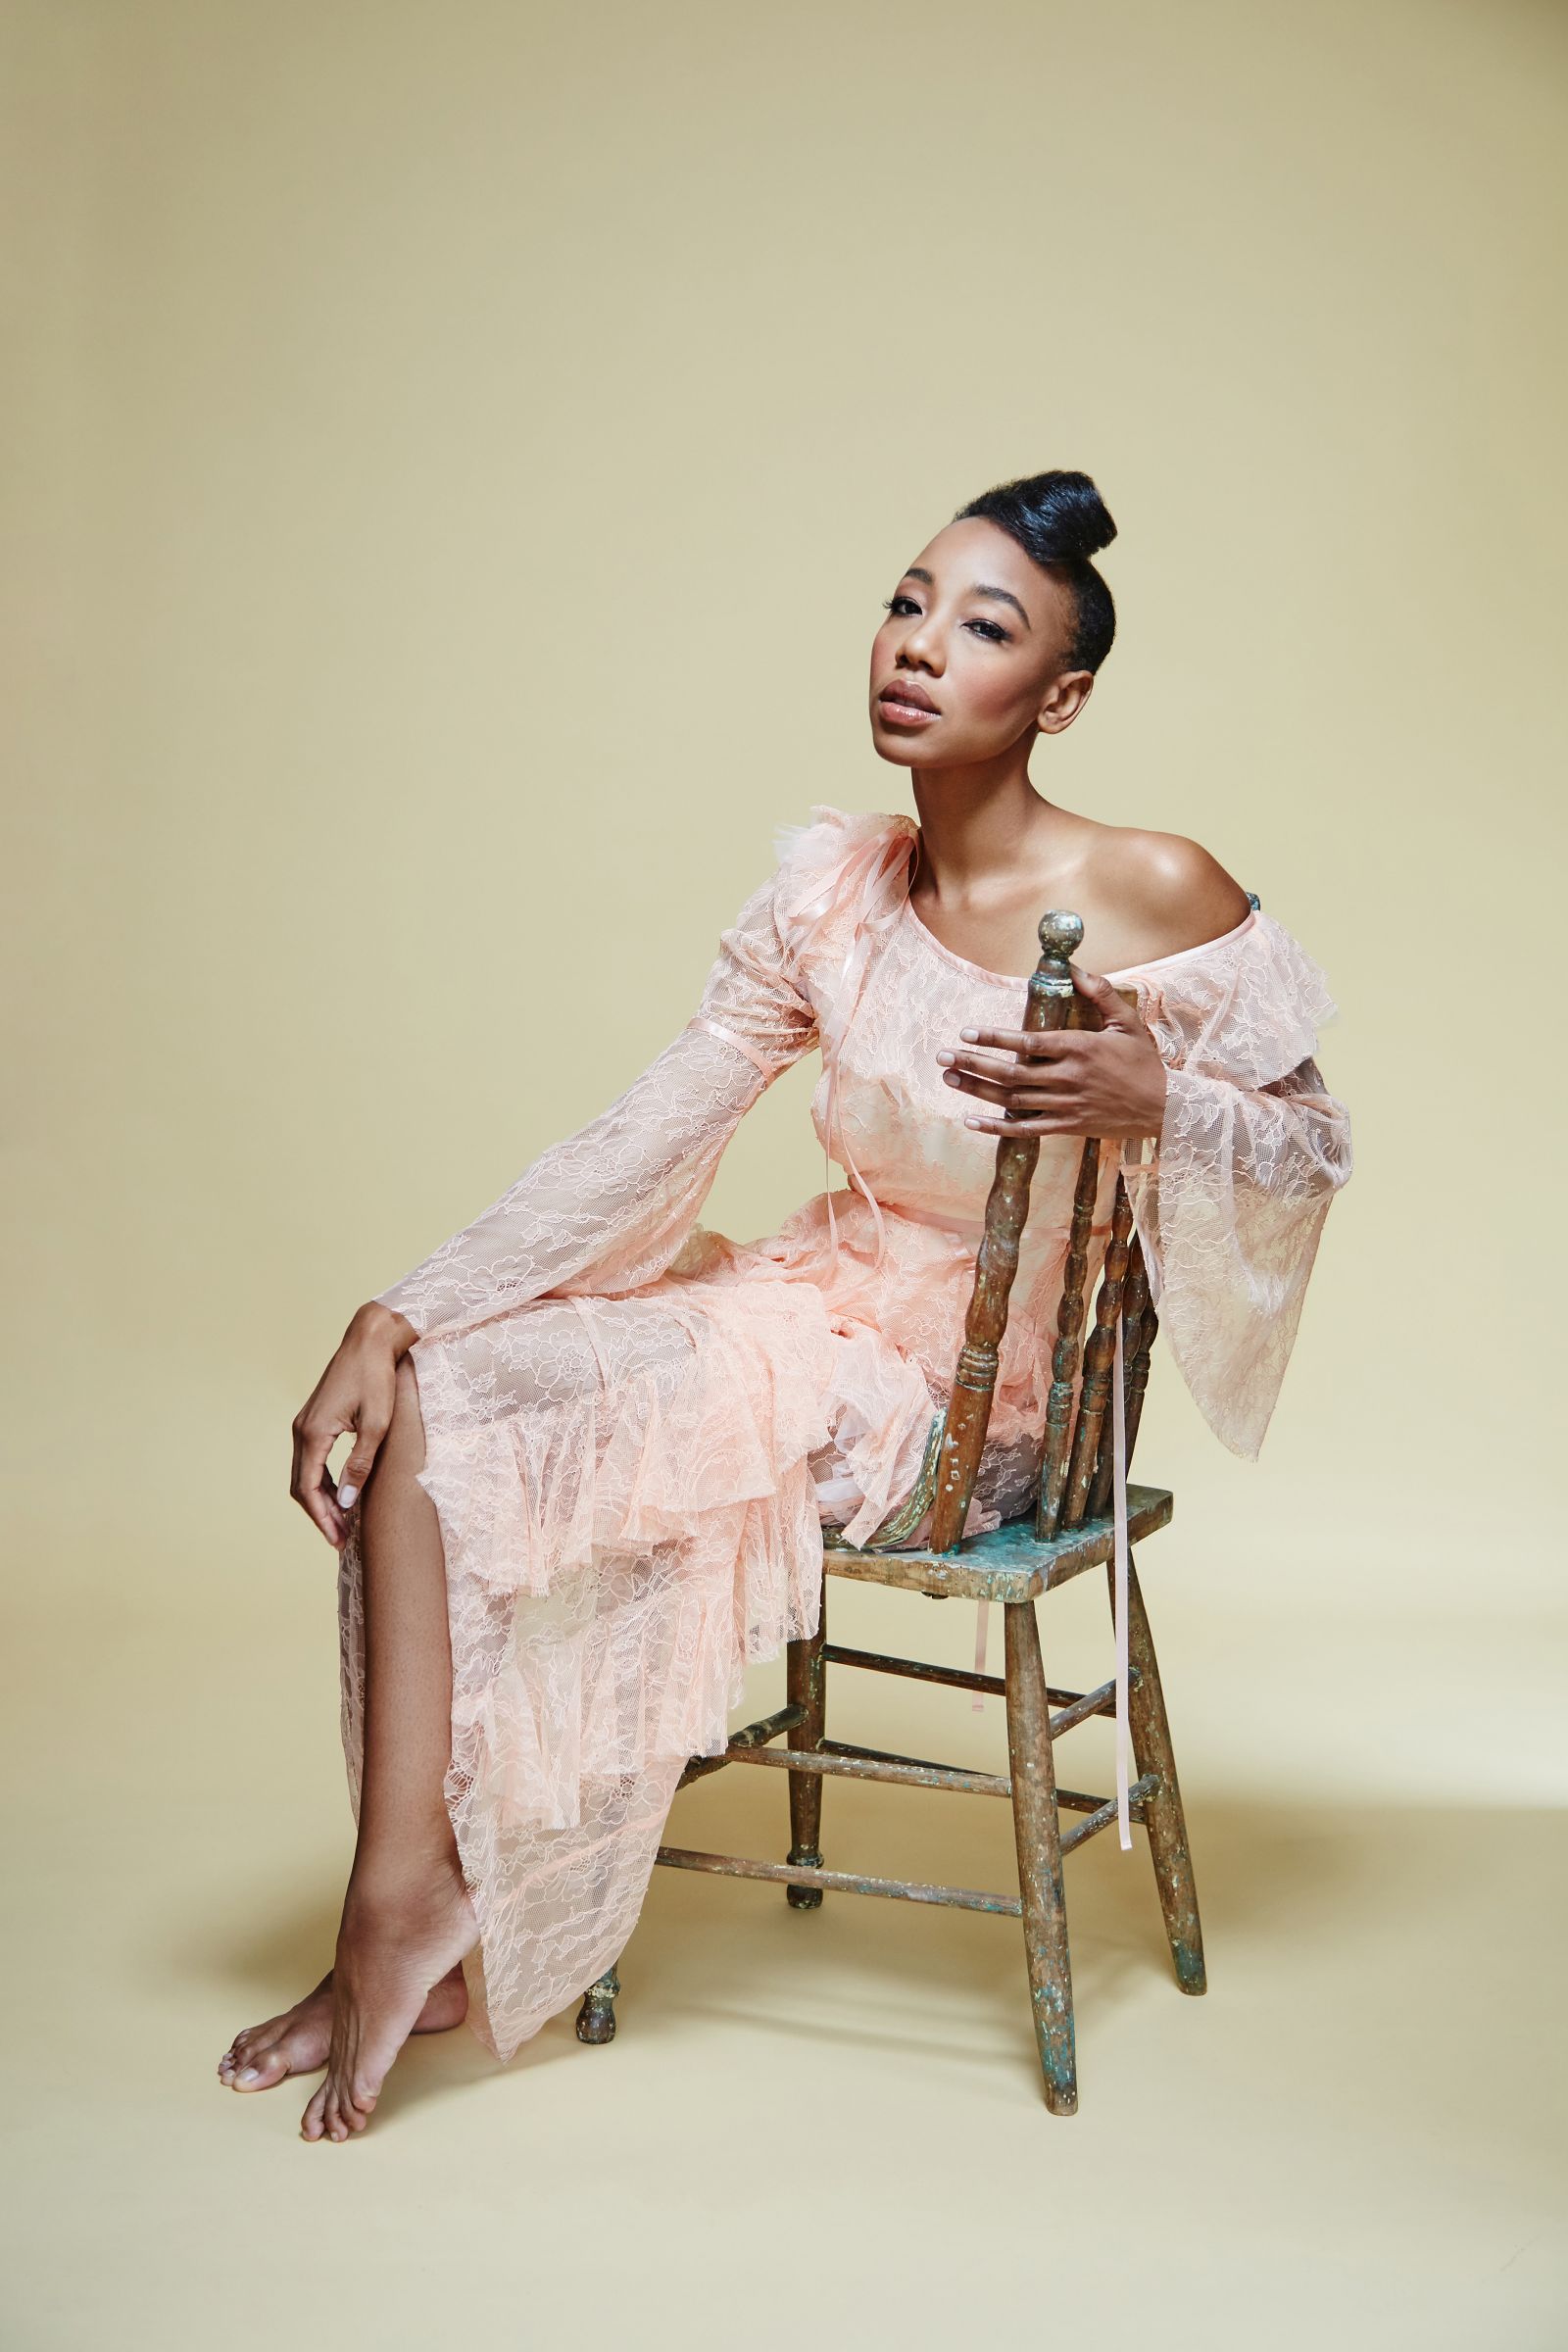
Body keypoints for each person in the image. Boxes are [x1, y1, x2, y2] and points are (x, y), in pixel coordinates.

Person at [218, 468, 1352, 2142]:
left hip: (982, 1409)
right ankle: (402, 1908)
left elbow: (1315, 1144)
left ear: (1060, 696)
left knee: (583, 1430)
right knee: (445, 1399)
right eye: (908, 604)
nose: (918, 648)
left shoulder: (1151, 883)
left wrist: (1152, 1098)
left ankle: (441, 1905)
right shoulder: (834, 893)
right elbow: (654, 1129)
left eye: (984, 628)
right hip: (811, 1308)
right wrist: (392, 1313)